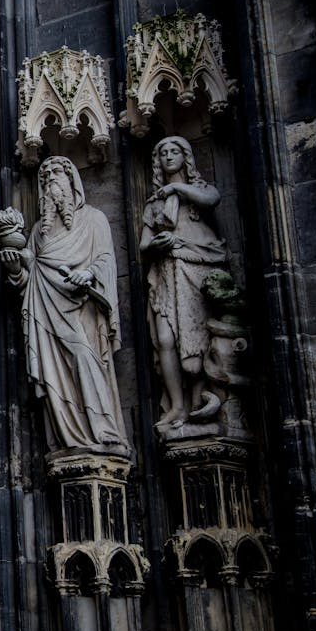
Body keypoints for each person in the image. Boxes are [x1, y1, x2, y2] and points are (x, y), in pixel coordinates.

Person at [0, 156, 128, 452]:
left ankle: (102, 430)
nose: (50, 181)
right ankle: (67, 438)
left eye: (57, 173)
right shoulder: (36, 233)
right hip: (46, 315)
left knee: (84, 357)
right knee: (55, 377)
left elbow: (106, 259)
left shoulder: (93, 219)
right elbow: (27, 284)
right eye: (45, 177)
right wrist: (14, 270)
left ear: (72, 181)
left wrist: (88, 274)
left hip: (82, 308)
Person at [139, 135, 228, 428]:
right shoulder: (155, 204)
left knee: (198, 338)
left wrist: (176, 188)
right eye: (162, 152)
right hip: (166, 272)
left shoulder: (199, 191)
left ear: (186, 156)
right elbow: (143, 245)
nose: (168, 156)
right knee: (165, 339)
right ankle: (176, 406)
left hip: (197, 269)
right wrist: (158, 245)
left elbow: (212, 199)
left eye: (174, 150)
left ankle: (202, 398)